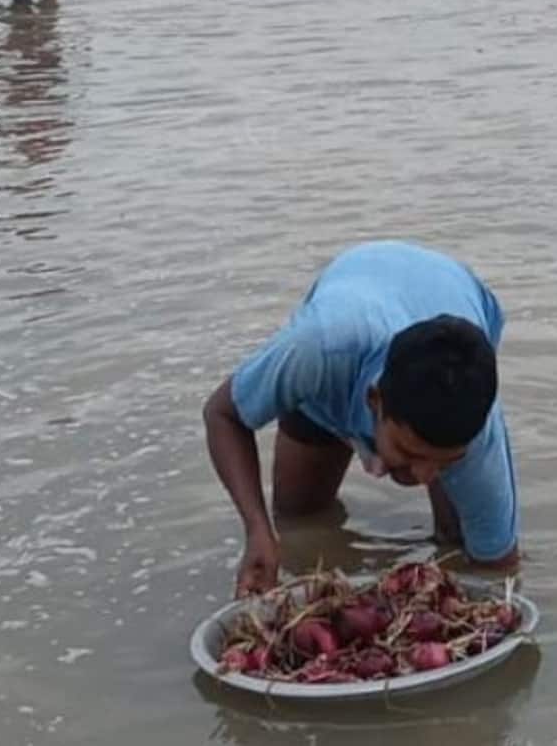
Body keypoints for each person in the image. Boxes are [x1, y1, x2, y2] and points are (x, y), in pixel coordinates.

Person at [201, 241, 519, 597]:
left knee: (457, 544)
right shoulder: (317, 351)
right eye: (410, 452)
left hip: (456, 292)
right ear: (374, 400)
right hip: (355, 297)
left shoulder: (476, 430)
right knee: (297, 516)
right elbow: (222, 414)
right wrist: (257, 529)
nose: (424, 477)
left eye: (444, 462)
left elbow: (499, 567)